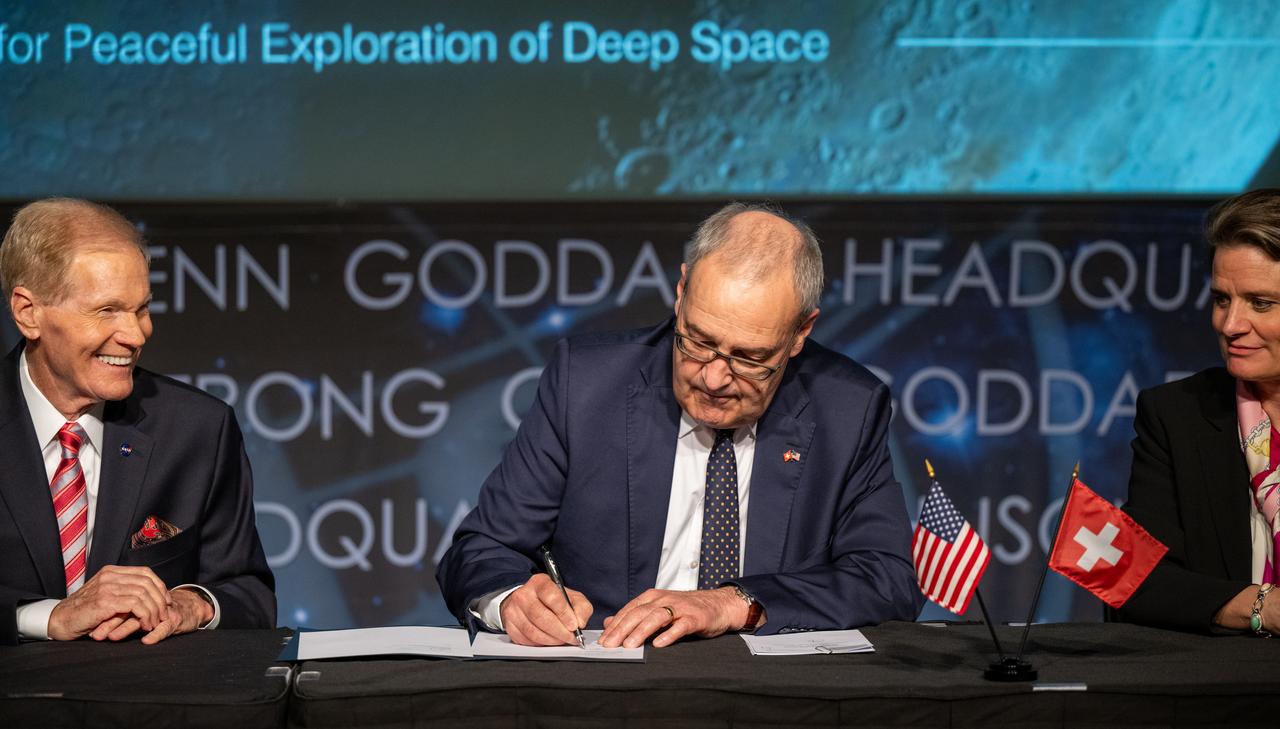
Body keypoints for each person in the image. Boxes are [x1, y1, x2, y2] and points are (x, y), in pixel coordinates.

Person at [437, 202, 922, 649]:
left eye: (750, 358)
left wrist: (734, 602)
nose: (714, 377)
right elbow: (481, 548)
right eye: (697, 341)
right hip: (606, 689)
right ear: (681, 292)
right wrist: (510, 601)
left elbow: (886, 579)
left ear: (800, 332)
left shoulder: (848, 407)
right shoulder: (586, 384)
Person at [0, 198, 275, 645]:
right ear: (29, 312)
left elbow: (249, 593)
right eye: (106, 310)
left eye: (141, 308)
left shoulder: (197, 429)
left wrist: (195, 604)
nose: (136, 334)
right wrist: (49, 617)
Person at [1120, 188, 1280, 632]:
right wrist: (1261, 606)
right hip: (1228, 689)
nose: (1230, 325)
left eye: (1261, 303)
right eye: (1222, 299)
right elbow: (1141, 584)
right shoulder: (1176, 416)